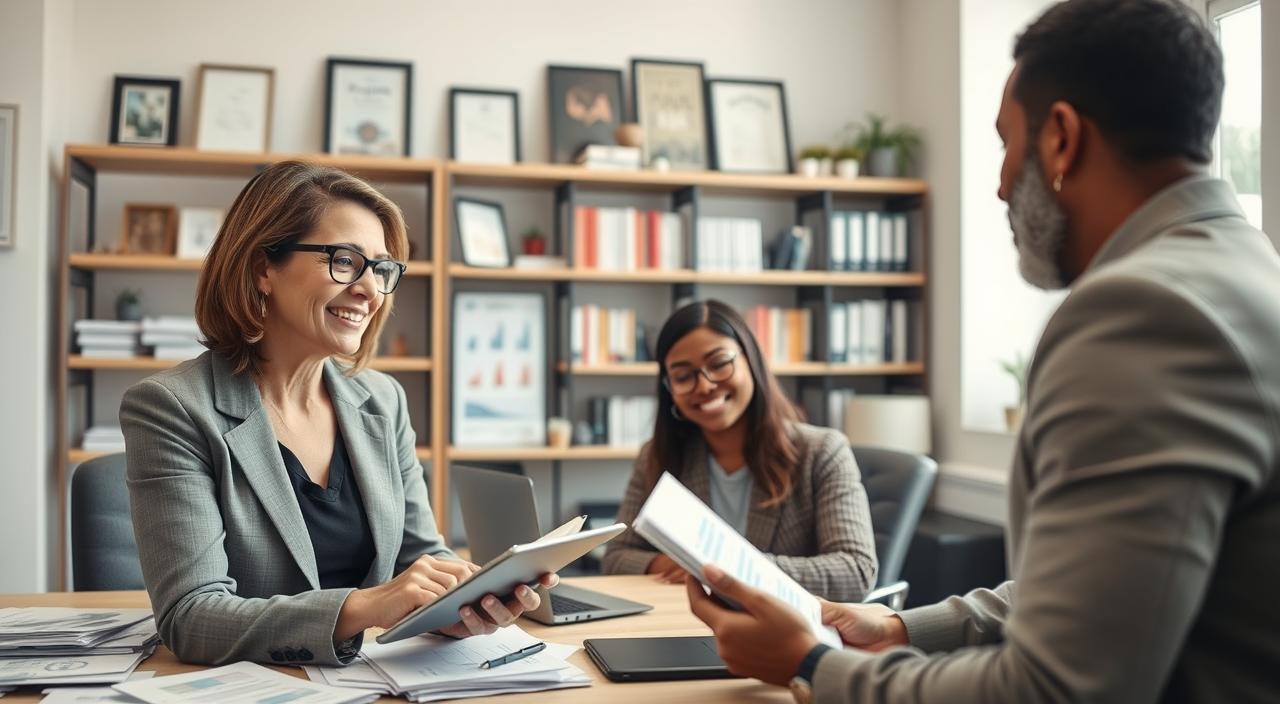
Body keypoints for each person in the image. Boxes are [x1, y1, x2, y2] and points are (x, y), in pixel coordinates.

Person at [685, 1, 1280, 702]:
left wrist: (812, 664)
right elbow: (1113, 584)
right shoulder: (1244, 271)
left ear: (1061, 138)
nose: (1000, 184)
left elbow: (1055, 689)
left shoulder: (1141, 312)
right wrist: (906, 628)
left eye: (1007, 144)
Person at [120, 161, 555, 667]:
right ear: (264, 267)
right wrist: (367, 604)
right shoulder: (172, 407)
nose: (370, 291)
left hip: (377, 682)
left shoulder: (382, 400)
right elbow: (191, 618)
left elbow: (422, 556)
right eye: (346, 261)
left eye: (382, 269)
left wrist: (462, 599)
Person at [604, 299, 878, 602]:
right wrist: (667, 563)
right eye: (683, 376)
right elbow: (616, 556)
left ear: (751, 360)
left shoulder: (823, 452)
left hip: (786, 636)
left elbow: (856, 571)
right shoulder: (657, 455)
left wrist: (731, 571)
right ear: (669, 388)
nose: (705, 385)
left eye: (719, 364)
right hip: (686, 625)